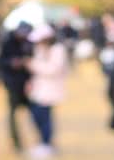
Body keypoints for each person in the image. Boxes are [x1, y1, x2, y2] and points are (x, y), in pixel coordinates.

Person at [25, 24, 70, 159]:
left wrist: (33, 64)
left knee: (44, 118)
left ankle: (46, 144)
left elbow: (53, 69)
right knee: (37, 116)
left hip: (50, 89)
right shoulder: (40, 49)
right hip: (39, 89)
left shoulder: (58, 50)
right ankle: (43, 143)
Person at [0, 21, 33, 153]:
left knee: (34, 112)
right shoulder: (7, 43)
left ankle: (36, 140)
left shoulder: (29, 43)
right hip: (12, 83)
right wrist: (12, 63)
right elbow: (0, 62)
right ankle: (17, 142)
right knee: (13, 114)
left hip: (29, 84)